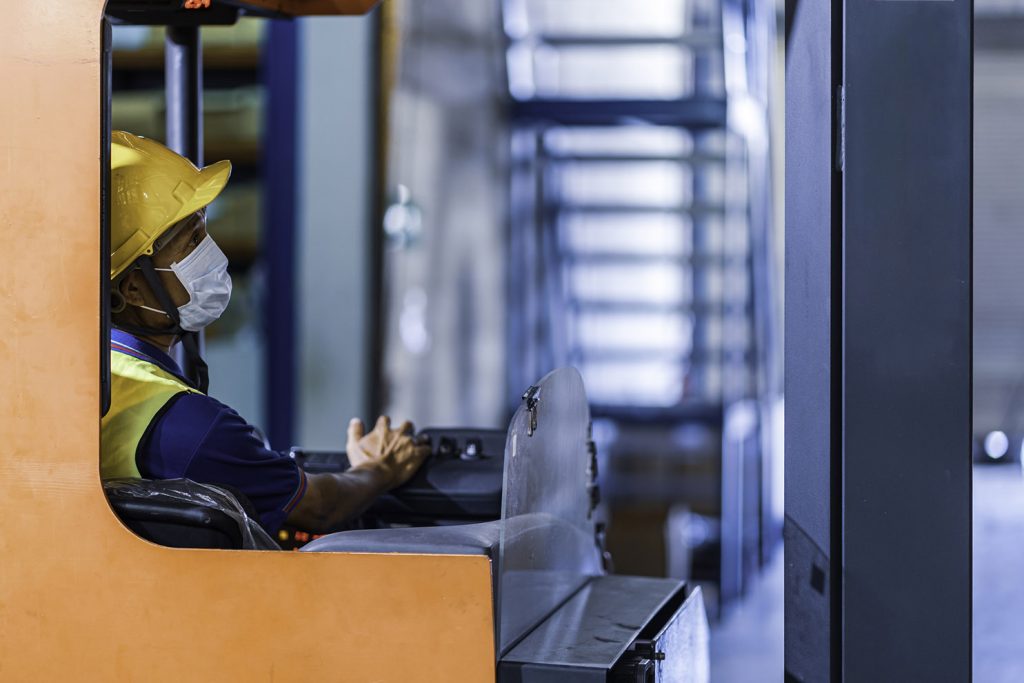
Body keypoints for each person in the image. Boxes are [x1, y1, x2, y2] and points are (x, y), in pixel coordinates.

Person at [102, 130, 430, 535]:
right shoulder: (184, 424)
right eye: (191, 242)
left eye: (204, 229)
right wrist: (378, 469)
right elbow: (319, 508)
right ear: (133, 287)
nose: (211, 254)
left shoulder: (103, 378)